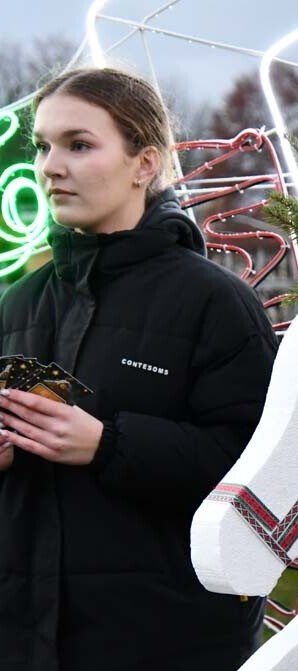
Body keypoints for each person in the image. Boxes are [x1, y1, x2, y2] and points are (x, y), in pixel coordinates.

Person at [0, 67, 278, 671]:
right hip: (23, 640)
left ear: (144, 164)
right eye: (43, 146)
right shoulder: (17, 304)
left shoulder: (216, 303)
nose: (50, 166)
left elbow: (262, 472)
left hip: (167, 641)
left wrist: (109, 444)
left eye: (78, 145)